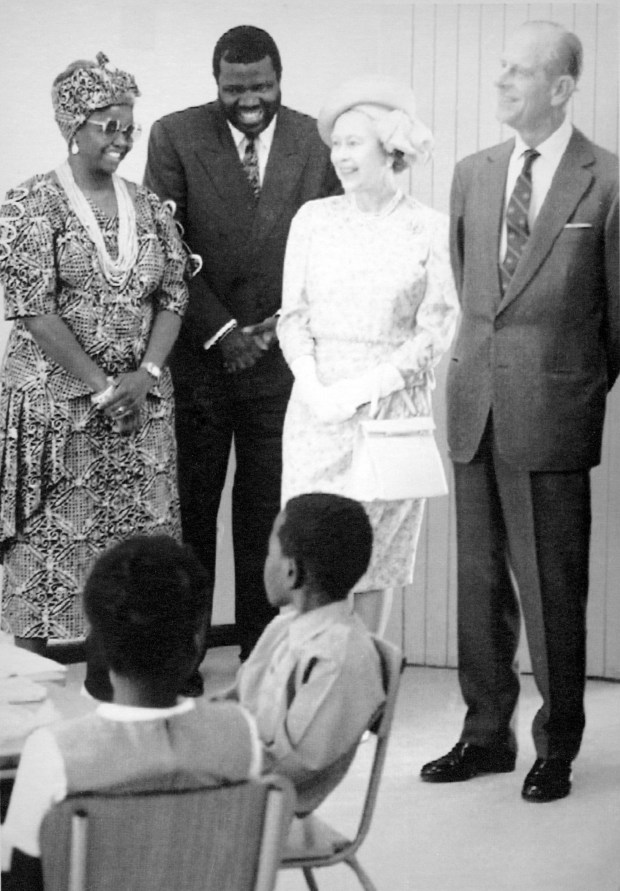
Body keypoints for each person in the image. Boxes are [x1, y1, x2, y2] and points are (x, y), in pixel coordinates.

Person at [421, 21, 619, 803]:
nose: (500, 81)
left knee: (552, 587)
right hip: (475, 405)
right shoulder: (473, 173)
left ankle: (556, 744)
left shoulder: (605, 180)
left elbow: (616, 321)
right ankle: (484, 734)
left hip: (553, 411)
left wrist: (566, 385)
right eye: (498, 68)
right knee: (478, 584)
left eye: (518, 71)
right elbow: (475, 290)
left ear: (562, 86)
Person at [143, 26, 340, 660]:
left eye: (260, 85)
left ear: (280, 79)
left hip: (284, 363)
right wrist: (223, 332)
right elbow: (163, 248)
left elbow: (332, 252)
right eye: (234, 88)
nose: (248, 99)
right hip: (200, 362)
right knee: (191, 516)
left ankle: (260, 654)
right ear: (216, 83)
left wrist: (275, 328)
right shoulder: (174, 134)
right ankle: (185, 657)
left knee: (265, 518)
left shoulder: (318, 139)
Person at [0, 54, 197, 670]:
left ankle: (128, 684)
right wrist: (104, 387)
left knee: (139, 562)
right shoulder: (29, 205)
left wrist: (146, 376)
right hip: (60, 413)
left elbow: (174, 295)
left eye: (128, 126)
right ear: (72, 126)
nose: (121, 139)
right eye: (107, 125)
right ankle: (28, 705)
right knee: (46, 561)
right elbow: (33, 309)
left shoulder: (151, 208)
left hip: (140, 413)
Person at [277, 75, 459, 634]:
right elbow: (294, 316)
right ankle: (302, 698)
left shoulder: (429, 228)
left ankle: (367, 703)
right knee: (305, 560)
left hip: (389, 416)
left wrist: (365, 388)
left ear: (391, 146)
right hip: (317, 412)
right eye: (336, 144)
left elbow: (436, 329)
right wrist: (314, 388)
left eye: (354, 142)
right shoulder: (314, 219)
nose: (340, 155)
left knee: (376, 561)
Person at [1, 535, 262, 891]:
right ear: (198, 640)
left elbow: (20, 881)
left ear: (98, 643)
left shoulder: (56, 753)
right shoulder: (241, 736)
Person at [215, 493, 386, 815]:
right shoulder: (283, 628)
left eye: (269, 553)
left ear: (291, 572)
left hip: (257, 809)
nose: (263, 563)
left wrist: (200, 764)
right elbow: (237, 700)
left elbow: (291, 768)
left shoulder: (339, 659)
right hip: (233, 780)